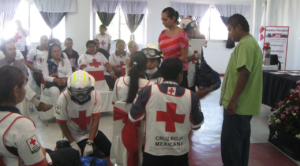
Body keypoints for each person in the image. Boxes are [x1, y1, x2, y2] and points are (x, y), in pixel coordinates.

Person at [129, 58, 206, 166]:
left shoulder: (147, 92)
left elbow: (133, 117)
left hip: (152, 152)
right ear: (180, 75)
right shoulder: (191, 96)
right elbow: (196, 125)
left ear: (161, 73)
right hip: (179, 153)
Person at [219, 14, 263, 166]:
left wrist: (233, 100)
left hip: (237, 107)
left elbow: (244, 73)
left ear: (239, 27)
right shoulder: (250, 43)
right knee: (240, 146)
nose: (229, 34)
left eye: (230, 29)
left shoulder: (245, 45)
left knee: (231, 148)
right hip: (243, 107)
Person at [56, 70, 112, 158]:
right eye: (76, 92)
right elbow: (62, 123)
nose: (81, 95)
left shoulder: (96, 95)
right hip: (75, 134)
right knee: (95, 157)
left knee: (111, 151)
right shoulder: (63, 98)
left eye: (84, 91)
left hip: (92, 131)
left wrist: (90, 142)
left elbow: (95, 121)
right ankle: (67, 144)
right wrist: (73, 143)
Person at [0, 65, 48, 166]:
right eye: (24, 85)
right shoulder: (21, 125)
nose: (25, 89)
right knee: (70, 154)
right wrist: (43, 152)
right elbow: (38, 164)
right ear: (16, 91)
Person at [0, 40, 52, 113]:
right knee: (22, 89)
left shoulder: (20, 64)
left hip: (18, 87)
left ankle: (21, 119)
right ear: (4, 52)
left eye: (14, 49)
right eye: (10, 49)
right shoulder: (1, 64)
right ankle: (37, 103)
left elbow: (24, 79)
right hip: (3, 88)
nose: (14, 51)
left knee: (22, 90)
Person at [158, 7, 189, 89]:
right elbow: (160, 50)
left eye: (165, 19)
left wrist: (172, 65)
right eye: (162, 19)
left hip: (178, 70)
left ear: (173, 18)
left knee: (179, 95)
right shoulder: (163, 33)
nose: (163, 22)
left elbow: (184, 56)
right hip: (166, 69)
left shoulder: (181, 34)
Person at [41, 43, 72, 109]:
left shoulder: (66, 61)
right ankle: (59, 111)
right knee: (55, 91)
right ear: (51, 53)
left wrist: (65, 80)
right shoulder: (47, 62)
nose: (57, 53)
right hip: (52, 84)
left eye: (58, 50)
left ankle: (68, 111)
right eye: (54, 51)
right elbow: (45, 77)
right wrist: (55, 80)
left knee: (69, 91)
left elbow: (70, 74)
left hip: (64, 82)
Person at [180, 18, 202, 91]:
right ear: (183, 32)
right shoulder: (180, 43)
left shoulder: (190, 42)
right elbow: (181, 60)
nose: (192, 35)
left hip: (192, 73)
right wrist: (194, 56)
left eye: (193, 32)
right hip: (184, 74)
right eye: (189, 33)